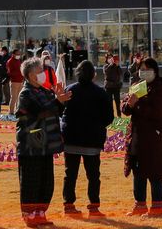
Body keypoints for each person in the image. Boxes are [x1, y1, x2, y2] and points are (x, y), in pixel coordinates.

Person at [16, 56, 71, 227]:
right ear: (31, 75)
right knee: (31, 180)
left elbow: (55, 110)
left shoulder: (45, 91)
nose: (43, 74)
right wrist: (57, 101)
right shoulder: (26, 94)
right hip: (31, 145)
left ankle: (40, 212)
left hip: (46, 144)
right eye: (40, 71)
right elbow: (39, 112)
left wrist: (61, 100)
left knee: (46, 180)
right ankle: (30, 215)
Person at [60, 61, 112, 218]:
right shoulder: (101, 93)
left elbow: (61, 112)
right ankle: (94, 206)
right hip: (92, 140)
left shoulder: (70, 90)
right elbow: (109, 118)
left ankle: (68, 205)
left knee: (70, 174)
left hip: (71, 139)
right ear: (93, 75)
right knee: (93, 175)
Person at [122, 57, 162, 217]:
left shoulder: (160, 87)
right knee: (138, 172)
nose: (143, 72)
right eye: (141, 69)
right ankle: (139, 205)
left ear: (154, 71)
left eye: (146, 69)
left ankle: (157, 208)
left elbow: (157, 112)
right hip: (137, 137)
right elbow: (126, 109)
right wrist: (129, 104)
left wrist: (138, 104)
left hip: (154, 137)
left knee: (154, 172)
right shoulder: (137, 85)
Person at [7, 47, 26, 116]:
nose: (18, 55)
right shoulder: (10, 61)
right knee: (14, 97)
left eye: (19, 54)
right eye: (17, 54)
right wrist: (19, 72)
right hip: (14, 82)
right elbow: (10, 73)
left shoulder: (18, 61)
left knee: (19, 97)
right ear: (13, 54)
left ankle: (17, 110)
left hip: (20, 81)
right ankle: (11, 112)